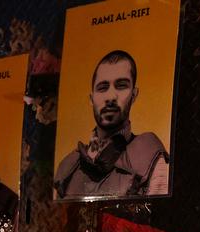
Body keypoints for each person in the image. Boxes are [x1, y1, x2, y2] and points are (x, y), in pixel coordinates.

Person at [54, 50, 170, 199]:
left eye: (121, 86)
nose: (110, 96)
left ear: (134, 95)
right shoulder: (68, 167)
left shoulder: (150, 156)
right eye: (103, 87)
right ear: (92, 98)